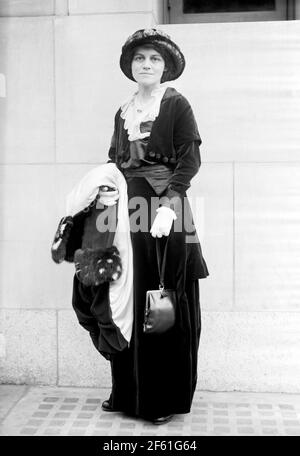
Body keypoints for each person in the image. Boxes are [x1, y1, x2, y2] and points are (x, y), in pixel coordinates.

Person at [99, 28, 209, 425]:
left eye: (155, 59)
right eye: (140, 58)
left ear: (166, 67)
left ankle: (160, 397)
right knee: (124, 295)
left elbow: (190, 160)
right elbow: (115, 160)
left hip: (164, 209)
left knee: (160, 299)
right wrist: (106, 195)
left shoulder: (177, 105)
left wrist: (169, 206)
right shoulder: (123, 111)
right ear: (130, 65)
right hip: (126, 211)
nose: (146, 65)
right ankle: (128, 392)